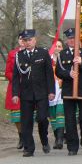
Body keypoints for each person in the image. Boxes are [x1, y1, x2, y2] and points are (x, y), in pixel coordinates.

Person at [12, 29, 55, 157]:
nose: (28, 42)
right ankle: (28, 148)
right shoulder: (19, 56)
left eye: (30, 40)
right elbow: (15, 76)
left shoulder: (43, 53)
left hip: (41, 92)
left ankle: (44, 140)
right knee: (26, 122)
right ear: (23, 42)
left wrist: (51, 91)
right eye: (25, 40)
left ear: (35, 40)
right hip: (26, 93)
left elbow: (49, 74)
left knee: (42, 118)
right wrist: (15, 93)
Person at [55, 28, 82, 156]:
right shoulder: (63, 54)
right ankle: (72, 146)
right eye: (70, 38)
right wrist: (68, 74)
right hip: (68, 91)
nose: (72, 40)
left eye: (74, 38)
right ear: (67, 40)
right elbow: (58, 71)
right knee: (70, 120)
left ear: (78, 39)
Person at [4, 32, 25, 149]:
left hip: (29, 87)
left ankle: (27, 135)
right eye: (20, 39)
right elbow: (7, 72)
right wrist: (17, 80)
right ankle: (21, 135)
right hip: (15, 87)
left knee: (28, 114)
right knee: (17, 115)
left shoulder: (32, 53)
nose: (22, 40)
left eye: (25, 39)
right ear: (18, 40)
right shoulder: (12, 54)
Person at [49, 39, 65, 149]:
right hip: (50, 90)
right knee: (53, 116)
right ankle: (56, 137)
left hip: (62, 90)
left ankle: (59, 139)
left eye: (60, 46)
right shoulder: (47, 60)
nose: (57, 48)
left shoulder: (65, 59)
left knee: (60, 114)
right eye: (56, 46)